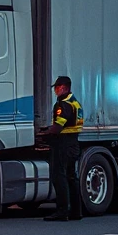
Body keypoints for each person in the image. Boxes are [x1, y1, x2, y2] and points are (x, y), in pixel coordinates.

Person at [39, 75, 84, 221]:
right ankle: (76, 212)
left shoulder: (63, 104)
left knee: (59, 177)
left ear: (63, 87)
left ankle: (62, 211)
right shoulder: (75, 102)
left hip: (62, 144)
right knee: (71, 177)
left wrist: (43, 133)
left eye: (56, 88)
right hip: (73, 143)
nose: (55, 91)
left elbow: (58, 127)